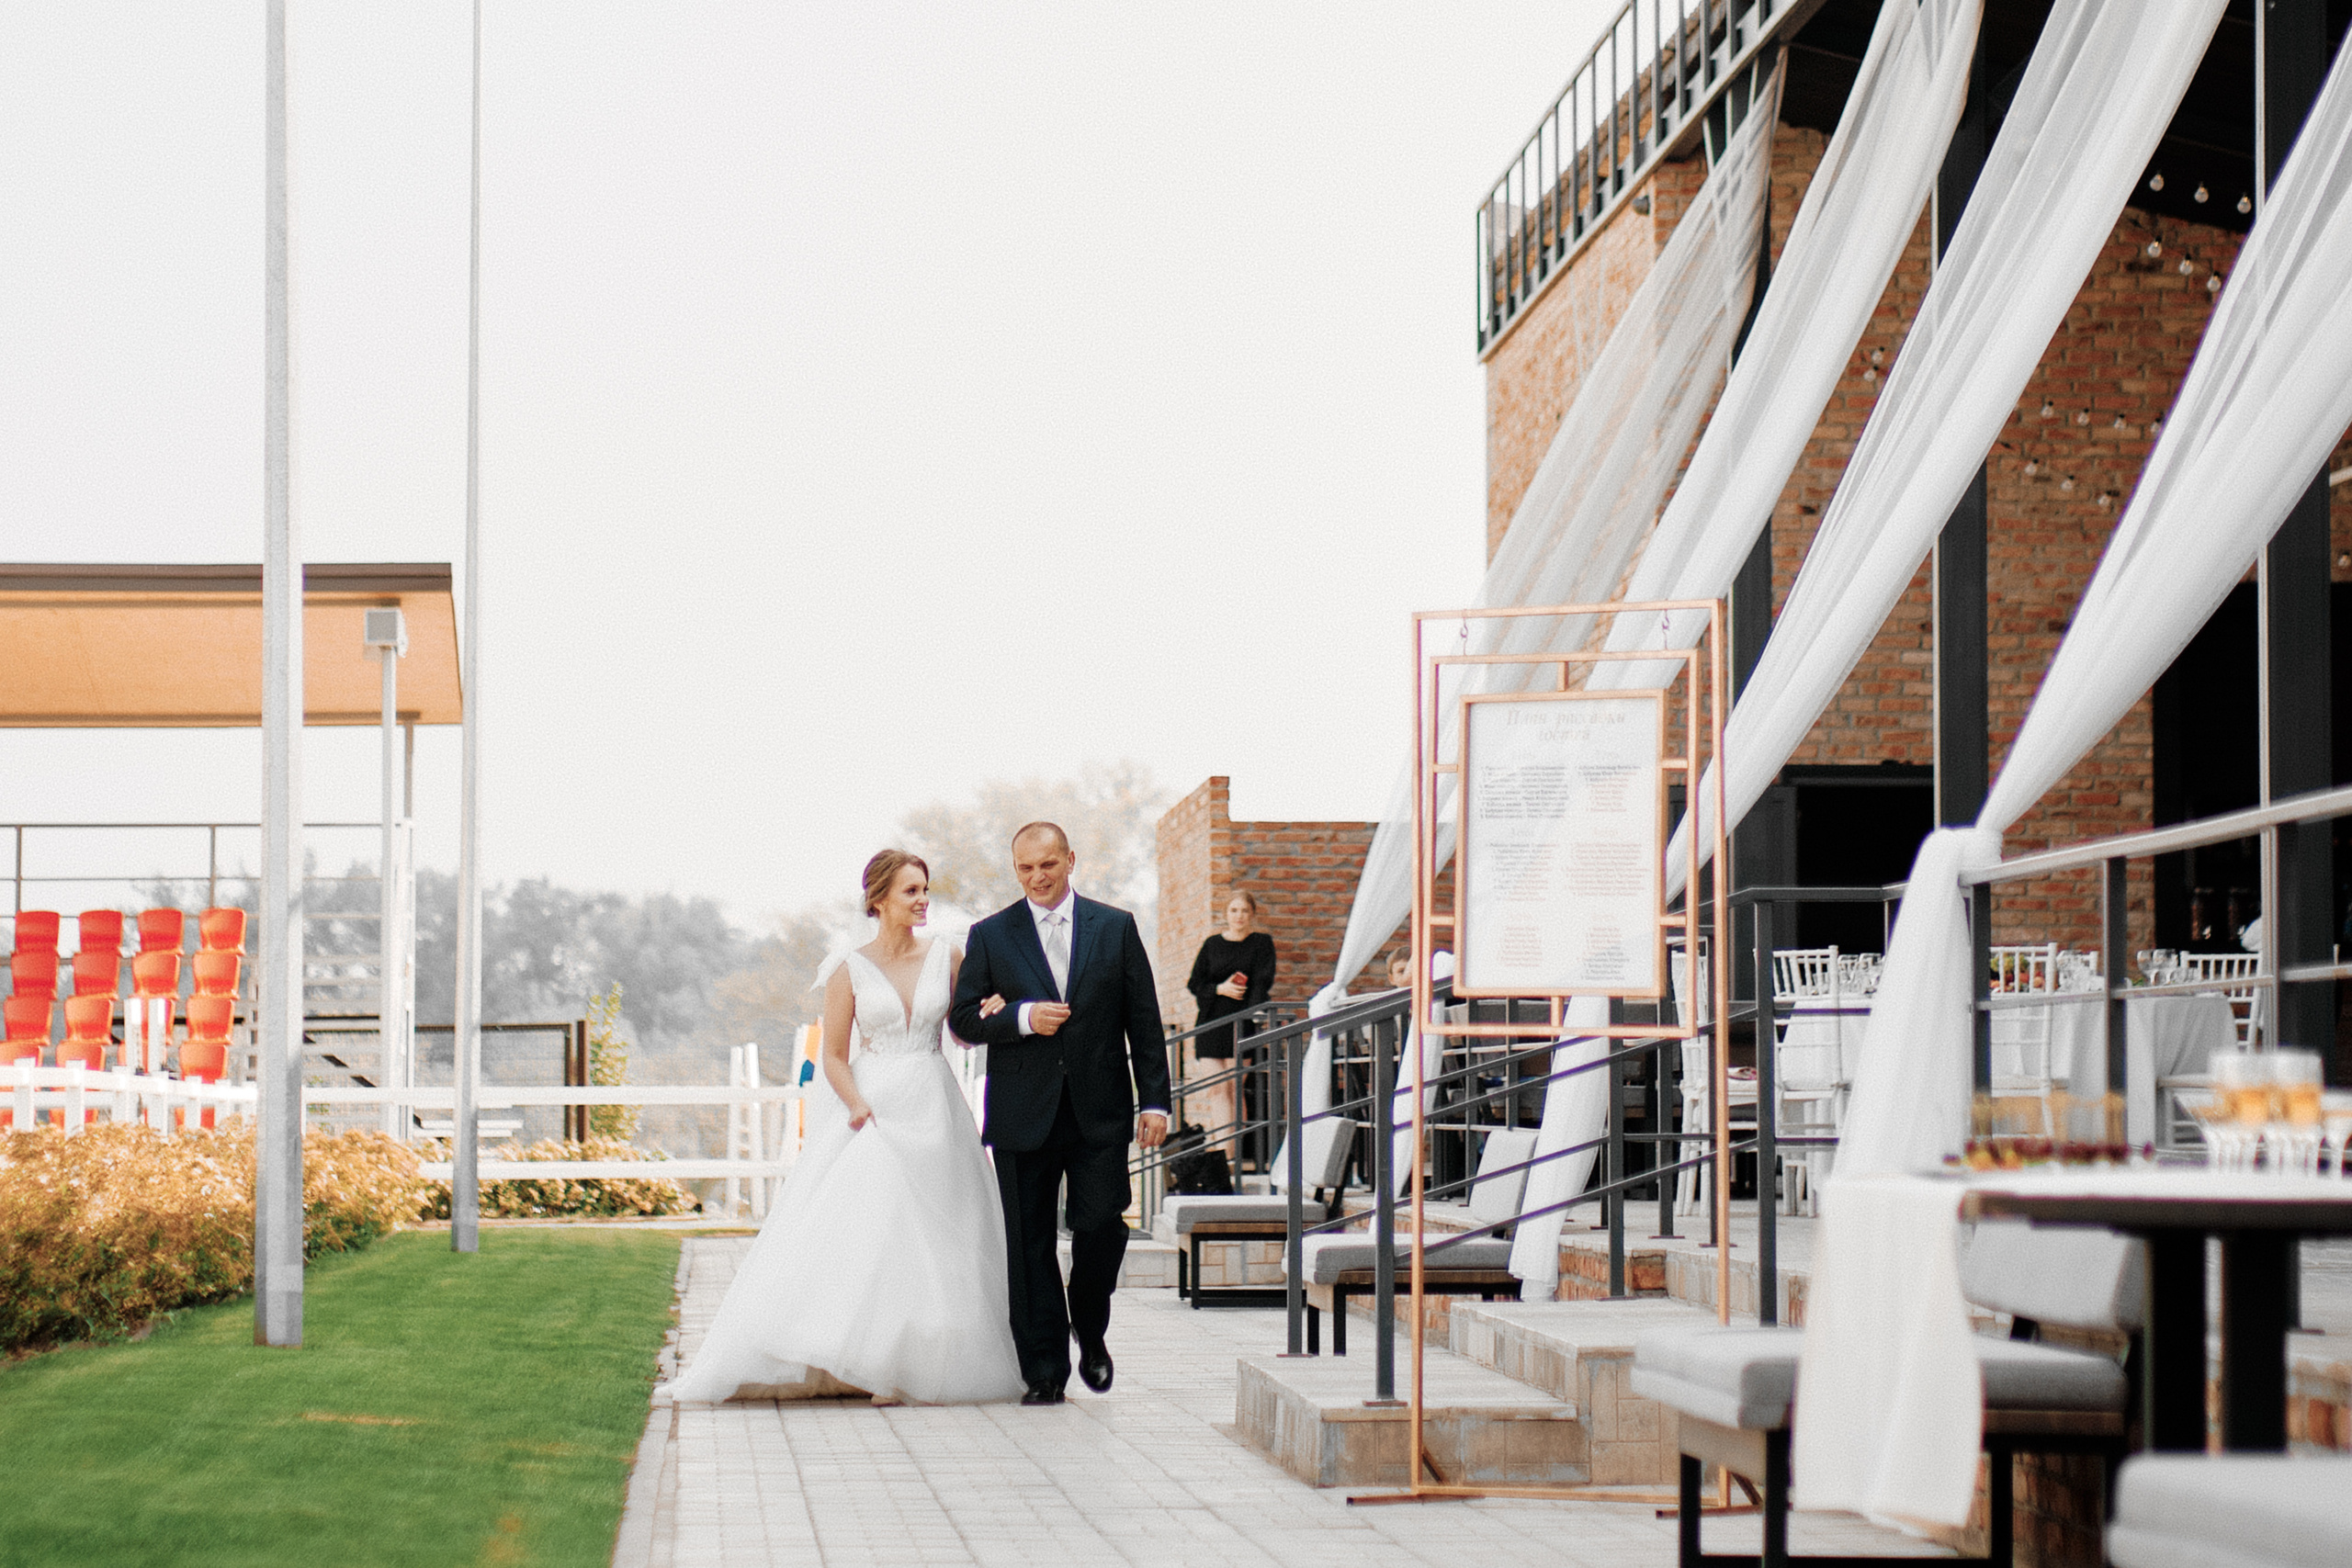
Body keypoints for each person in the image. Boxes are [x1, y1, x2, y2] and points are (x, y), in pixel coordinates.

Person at [663, 850, 1025, 1407]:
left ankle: (919, 1363)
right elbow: (833, 1054)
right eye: (911, 891)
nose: (923, 900)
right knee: (878, 1230)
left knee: (941, 1232)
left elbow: (963, 1029)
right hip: (874, 1106)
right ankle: (866, 1359)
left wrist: (994, 1009)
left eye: (926, 889)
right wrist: (855, 1103)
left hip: (933, 1102)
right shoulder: (847, 969)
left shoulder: (949, 957)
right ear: (878, 900)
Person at [949, 821, 1170, 1405]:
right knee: (1028, 1246)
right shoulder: (991, 935)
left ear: (1070, 859)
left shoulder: (1115, 927)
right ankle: (1044, 1370)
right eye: (1024, 868)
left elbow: (1143, 1020)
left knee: (1102, 1224)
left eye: (1047, 865)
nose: (1037, 878)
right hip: (1023, 1112)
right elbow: (964, 1020)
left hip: (1100, 1110)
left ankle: (1089, 1325)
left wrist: (1155, 1101)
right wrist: (1021, 1018)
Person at [1183, 891, 1276, 1165]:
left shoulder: (1261, 943)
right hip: (1212, 1022)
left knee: (1235, 1087)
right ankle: (1221, 1153)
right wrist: (1220, 988)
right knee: (1217, 1089)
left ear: (1252, 914)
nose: (1239, 916)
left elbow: (1263, 981)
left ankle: (1228, 1155)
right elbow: (1195, 983)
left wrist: (1252, 1011)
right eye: (1234, 910)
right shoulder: (1212, 944)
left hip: (1242, 1021)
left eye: (1244, 911)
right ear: (1226, 914)